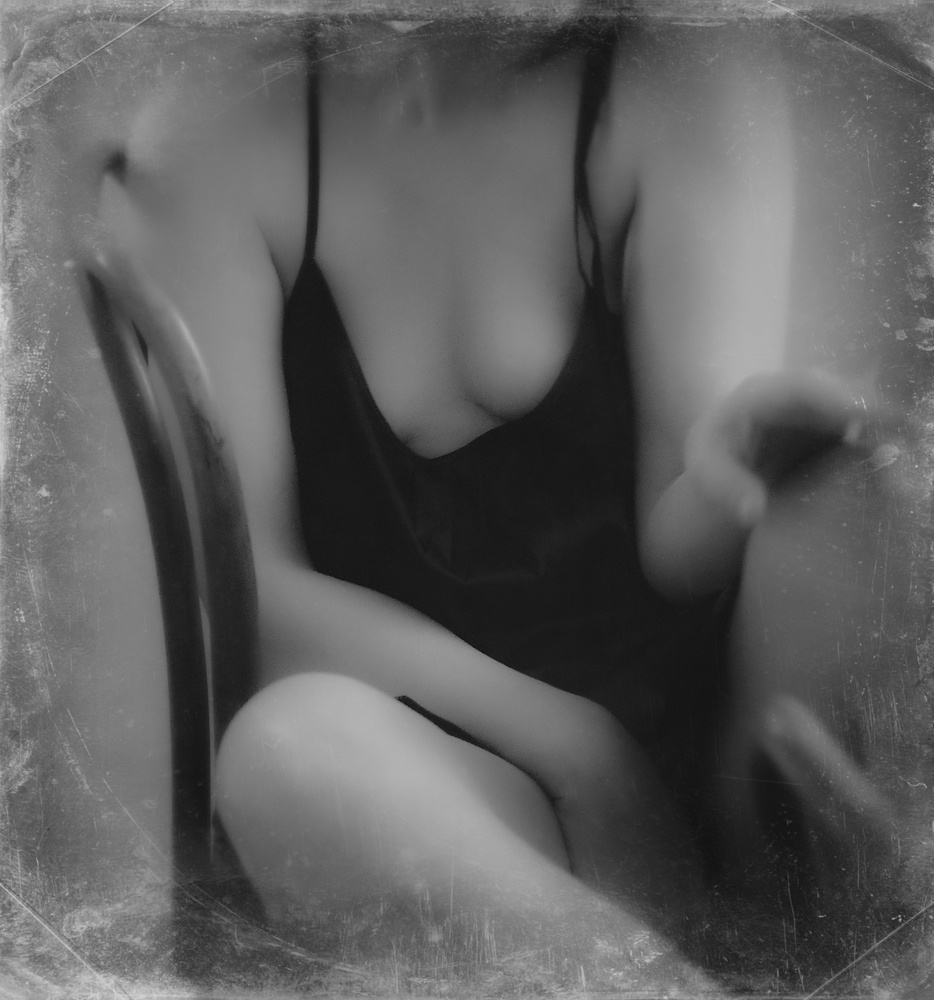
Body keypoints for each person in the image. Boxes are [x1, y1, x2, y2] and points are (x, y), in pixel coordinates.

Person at [91, 11, 888, 963]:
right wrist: (582, 751)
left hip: (692, 758)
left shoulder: (683, 67)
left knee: (841, 496)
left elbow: (678, 556)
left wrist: (725, 479)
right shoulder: (227, 111)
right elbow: (254, 590)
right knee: (282, 757)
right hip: (433, 766)